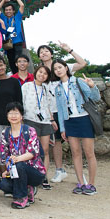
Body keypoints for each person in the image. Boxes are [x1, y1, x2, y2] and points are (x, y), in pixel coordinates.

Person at [38, 42, 87, 184]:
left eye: (46, 51)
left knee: (75, 143)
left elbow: (82, 63)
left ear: (52, 53)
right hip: (51, 111)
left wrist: (69, 50)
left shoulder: (61, 66)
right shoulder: (41, 71)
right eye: (41, 52)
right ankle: (60, 170)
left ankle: (80, 174)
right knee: (56, 141)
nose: (44, 53)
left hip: (68, 111)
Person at [53, 59, 100, 195]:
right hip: (69, 121)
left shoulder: (78, 81)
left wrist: (92, 86)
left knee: (89, 153)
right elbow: (61, 110)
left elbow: (95, 98)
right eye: (56, 69)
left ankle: (91, 184)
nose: (58, 70)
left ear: (66, 68)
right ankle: (80, 182)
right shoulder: (58, 88)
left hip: (84, 118)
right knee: (75, 153)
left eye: (60, 67)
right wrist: (62, 129)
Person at [0, 102, 46, 209]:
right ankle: (28, 190)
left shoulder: (29, 131)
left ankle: (21, 198)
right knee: (4, 185)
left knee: (19, 165)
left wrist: (17, 159)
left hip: (34, 171)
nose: (13, 116)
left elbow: (33, 152)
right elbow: (4, 155)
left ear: (21, 116)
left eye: (16, 113)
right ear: (7, 116)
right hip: (15, 169)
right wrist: (8, 168)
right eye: (10, 113)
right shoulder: (5, 133)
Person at [21, 65, 55, 189]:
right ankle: (31, 175)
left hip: (45, 121)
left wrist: (52, 120)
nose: (42, 75)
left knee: (44, 150)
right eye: (40, 72)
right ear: (36, 72)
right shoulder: (26, 86)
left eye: (45, 74)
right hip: (30, 119)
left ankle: (43, 175)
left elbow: (49, 105)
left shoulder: (47, 88)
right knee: (31, 150)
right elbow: (22, 102)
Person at [0, 0, 26, 73]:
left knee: (19, 59)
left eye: (10, 10)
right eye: (6, 10)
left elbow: (22, 5)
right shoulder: (3, 18)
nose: (8, 11)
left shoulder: (17, 17)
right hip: (8, 43)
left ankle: (21, 74)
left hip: (18, 41)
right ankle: (15, 76)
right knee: (11, 61)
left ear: (13, 11)